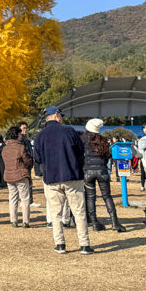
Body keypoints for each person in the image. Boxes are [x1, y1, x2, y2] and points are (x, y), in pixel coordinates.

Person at [33, 106, 92, 254]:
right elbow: (80, 151)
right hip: (72, 175)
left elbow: (38, 158)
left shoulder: (40, 136)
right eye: (61, 116)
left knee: (55, 213)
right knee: (79, 212)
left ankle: (60, 244)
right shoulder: (69, 131)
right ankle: (84, 244)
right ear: (57, 116)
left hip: (51, 178)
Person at [82, 119, 125, 233]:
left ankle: (94, 222)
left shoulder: (83, 140)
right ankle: (114, 222)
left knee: (90, 197)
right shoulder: (103, 140)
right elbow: (107, 156)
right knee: (107, 196)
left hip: (88, 172)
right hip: (102, 171)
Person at [1, 126, 32, 228]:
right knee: (25, 199)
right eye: (20, 134)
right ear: (16, 135)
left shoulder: (4, 148)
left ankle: (13, 220)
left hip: (9, 175)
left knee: (13, 198)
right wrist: (30, 162)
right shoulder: (21, 147)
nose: (21, 136)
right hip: (20, 175)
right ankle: (25, 221)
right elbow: (27, 160)